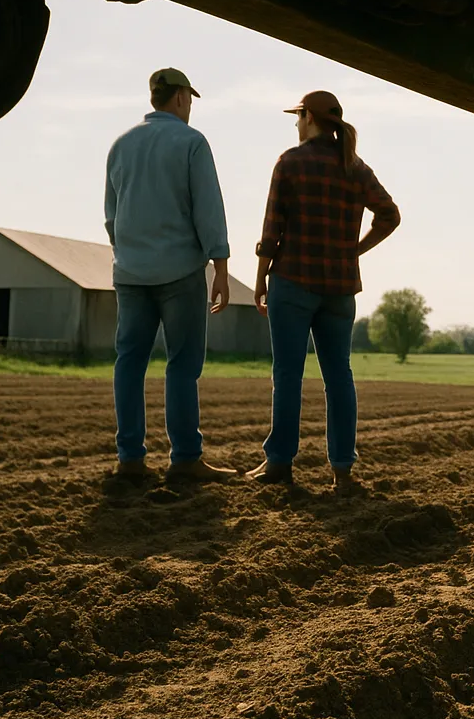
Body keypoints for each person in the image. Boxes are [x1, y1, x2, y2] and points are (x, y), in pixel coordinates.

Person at [250, 91, 400, 492]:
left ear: (309, 118)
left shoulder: (290, 162)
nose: (296, 124)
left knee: (288, 375)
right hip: (339, 289)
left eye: (298, 117)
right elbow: (390, 215)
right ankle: (343, 471)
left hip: (293, 282)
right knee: (339, 377)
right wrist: (355, 250)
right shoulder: (355, 167)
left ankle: (279, 464)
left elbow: (272, 229)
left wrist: (262, 277)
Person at [105, 68, 238, 484]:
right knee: (181, 365)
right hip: (180, 271)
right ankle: (184, 459)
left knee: (129, 364)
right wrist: (220, 265)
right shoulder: (191, 142)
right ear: (180, 98)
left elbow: (111, 214)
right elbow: (208, 208)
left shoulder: (121, 144)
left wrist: (126, 253)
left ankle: (130, 460)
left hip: (130, 272)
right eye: (190, 100)